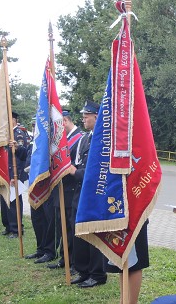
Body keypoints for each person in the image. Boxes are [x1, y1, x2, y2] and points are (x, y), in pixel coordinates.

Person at [67, 101, 108, 288]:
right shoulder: (85, 138)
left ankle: (97, 274)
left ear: (97, 117)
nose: (83, 118)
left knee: (93, 235)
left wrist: (75, 172)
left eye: (87, 115)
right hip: (80, 192)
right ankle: (83, 270)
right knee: (79, 233)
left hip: (94, 193)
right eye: (83, 115)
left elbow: (97, 170)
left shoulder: (103, 139)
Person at [48, 110, 83, 271]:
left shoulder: (80, 138)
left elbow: (76, 165)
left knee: (71, 228)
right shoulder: (65, 139)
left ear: (66, 121)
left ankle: (74, 262)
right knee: (62, 227)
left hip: (72, 189)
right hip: (61, 188)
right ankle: (65, 258)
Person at [24, 117, 56, 264]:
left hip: (47, 186)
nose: (33, 128)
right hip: (34, 185)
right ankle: (40, 248)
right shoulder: (34, 142)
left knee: (48, 220)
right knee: (37, 219)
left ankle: (50, 251)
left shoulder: (50, 143)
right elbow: (28, 159)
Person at [106, 219, 150, 304]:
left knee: (135, 265)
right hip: (118, 219)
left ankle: (131, 302)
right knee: (123, 263)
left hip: (136, 217)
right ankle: (123, 301)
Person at [1, 111, 28, 239]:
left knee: (14, 203)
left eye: (8, 118)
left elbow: (20, 158)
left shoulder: (18, 134)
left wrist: (14, 176)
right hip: (5, 173)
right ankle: (8, 226)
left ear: (14, 120)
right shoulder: (6, 134)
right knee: (5, 201)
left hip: (14, 174)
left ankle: (16, 229)